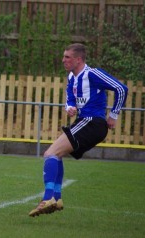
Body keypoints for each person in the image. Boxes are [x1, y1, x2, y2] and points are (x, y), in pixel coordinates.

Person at [28, 43, 128, 217]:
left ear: (78, 59)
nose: (63, 60)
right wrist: (70, 108)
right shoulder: (72, 77)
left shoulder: (92, 74)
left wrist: (113, 115)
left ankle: (48, 198)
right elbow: (70, 99)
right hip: (84, 122)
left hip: (93, 123)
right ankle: (57, 199)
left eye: (67, 57)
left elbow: (121, 88)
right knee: (55, 155)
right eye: (64, 56)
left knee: (50, 154)